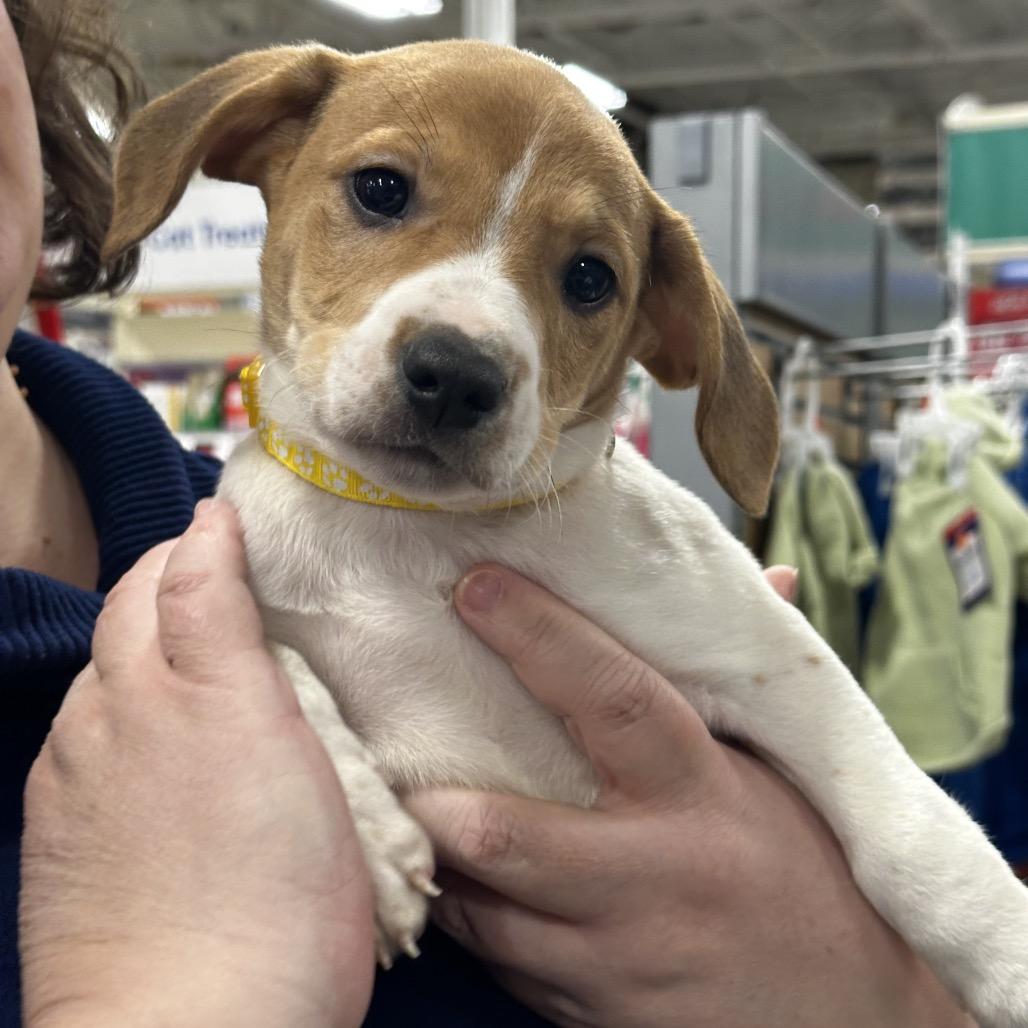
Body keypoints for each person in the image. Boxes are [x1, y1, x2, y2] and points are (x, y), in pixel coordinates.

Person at [1, 1, 974, 1025]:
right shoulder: (238, 563)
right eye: (384, 192)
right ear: (255, 142)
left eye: (586, 278)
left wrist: (879, 990)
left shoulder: (203, 525)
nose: (465, 348)